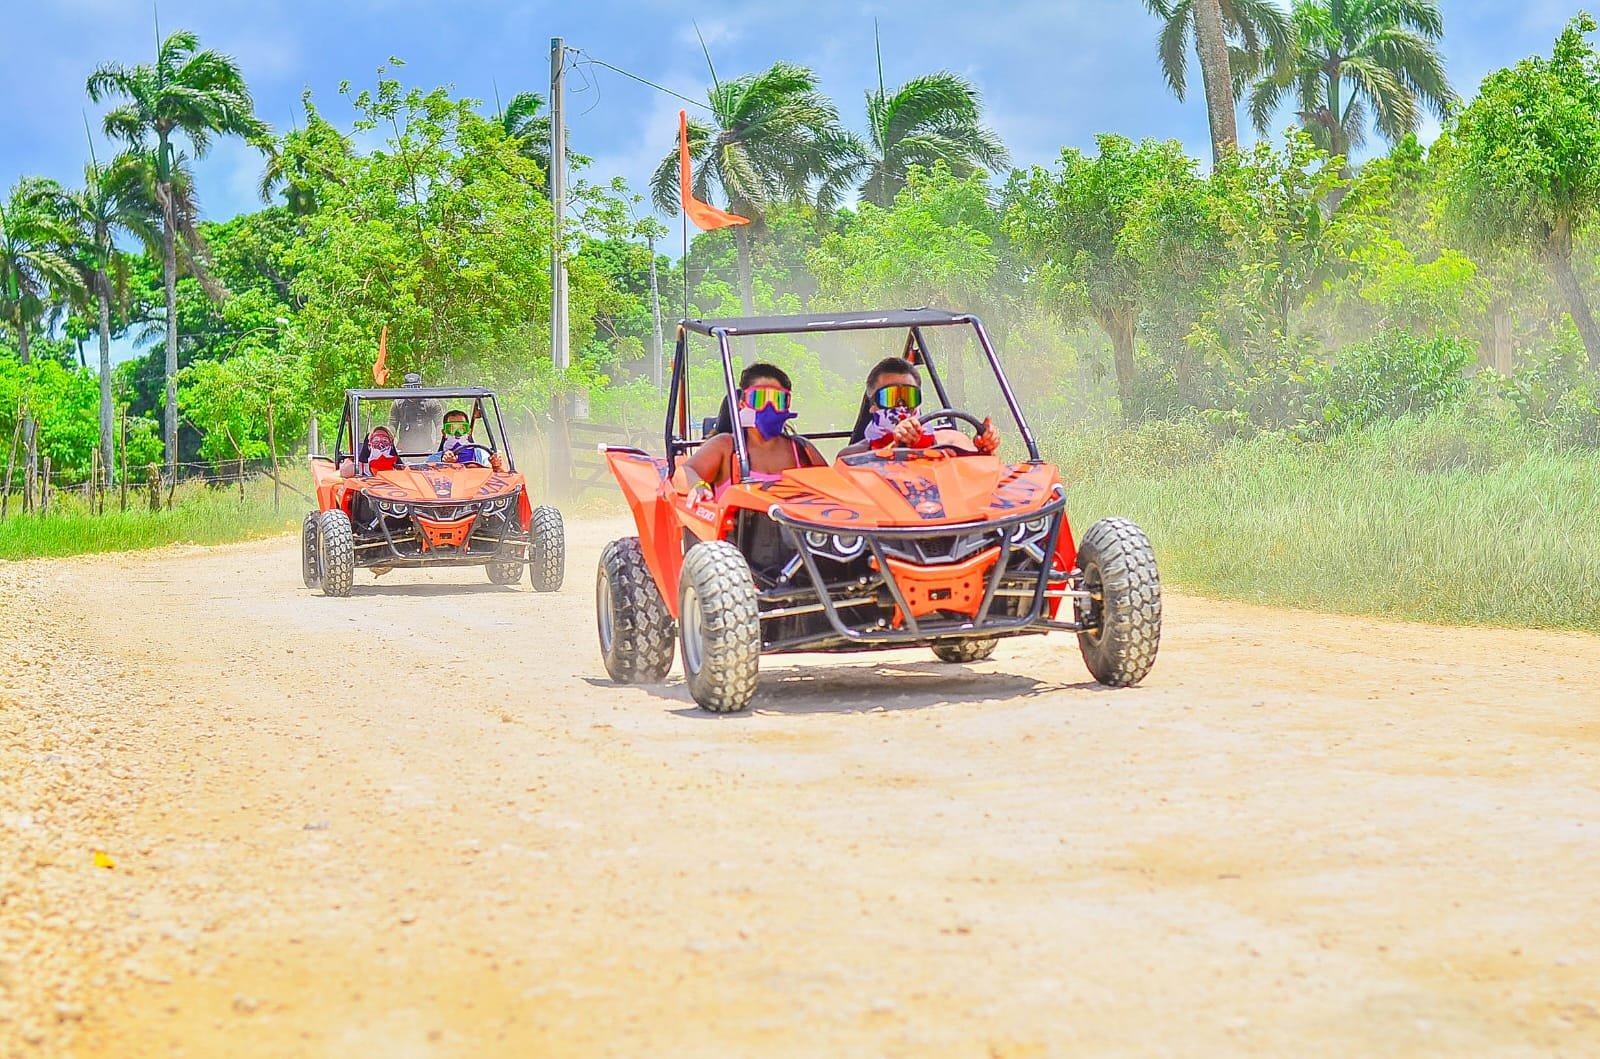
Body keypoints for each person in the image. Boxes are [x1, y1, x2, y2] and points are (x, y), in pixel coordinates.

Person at [681, 363, 824, 504]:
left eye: (778, 400)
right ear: (742, 403)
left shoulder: (801, 450)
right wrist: (697, 486)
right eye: (759, 398)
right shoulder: (726, 446)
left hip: (791, 526)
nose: (769, 407)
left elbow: (831, 487)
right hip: (738, 526)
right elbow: (685, 471)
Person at [838, 356, 1000, 458]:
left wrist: (986, 448)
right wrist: (895, 446)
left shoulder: (952, 440)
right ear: (872, 406)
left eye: (909, 396)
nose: (901, 405)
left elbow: (982, 477)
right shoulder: (854, 456)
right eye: (890, 397)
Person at [426, 409, 506, 471]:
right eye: (452, 428)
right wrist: (445, 465)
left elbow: (501, 478)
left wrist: (496, 465)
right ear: (444, 433)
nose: (457, 433)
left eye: (462, 428)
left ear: (469, 432)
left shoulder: (481, 454)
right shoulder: (434, 459)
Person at [338, 425, 405, 477]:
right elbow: (343, 472)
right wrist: (361, 465)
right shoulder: (361, 467)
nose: (380, 445)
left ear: (391, 445)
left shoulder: (398, 467)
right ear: (369, 445)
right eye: (376, 441)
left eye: (385, 441)